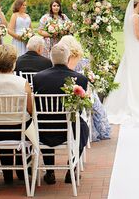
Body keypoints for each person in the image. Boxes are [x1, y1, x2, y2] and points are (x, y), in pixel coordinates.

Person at [32, 43, 90, 185]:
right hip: (69, 128)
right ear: (68, 58)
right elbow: (80, 109)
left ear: (51, 58)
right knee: (83, 128)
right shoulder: (80, 79)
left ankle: (50, 171)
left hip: (43, 128)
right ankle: (72, 168)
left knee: (42, 122)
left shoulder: (38, 77)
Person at [0, 43, 33, 184]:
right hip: (18, 130)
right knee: (26, 123)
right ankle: (22, 170)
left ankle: (8, 173)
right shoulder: (22, 83)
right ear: (14, 62)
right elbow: (31, 109)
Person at [60, 35, 111, 142]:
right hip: (85, 90)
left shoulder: (63, 60)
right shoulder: (83, 60)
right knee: (94, 101)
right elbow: (88, 77)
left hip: (68, 91)